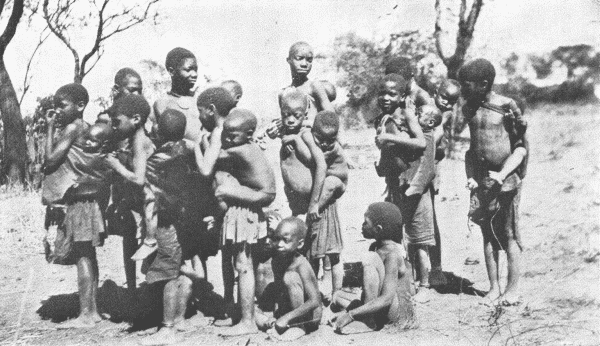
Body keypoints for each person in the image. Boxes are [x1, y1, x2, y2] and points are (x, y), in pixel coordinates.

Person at [195, 89, 276, 336]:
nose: (227, 139)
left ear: (248, 135)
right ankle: (252, 315)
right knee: (241, 263)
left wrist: (198, 145)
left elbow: (209, 165)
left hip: (247, 208)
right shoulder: (244, 145)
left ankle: (248, 322)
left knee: (243, 265)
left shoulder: (241, 149)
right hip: (244, 208)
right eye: (226, 135)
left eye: (232, 135)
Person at [458, 58, 527, 306]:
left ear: (484, 84)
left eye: (466, 85)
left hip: (505, 179)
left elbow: (520, 148)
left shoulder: (507, 107)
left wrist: (502, 174)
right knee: (487, 235)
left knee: (509, 234)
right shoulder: (469, 108)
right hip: (481, 181)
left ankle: (512, 290)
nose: (462, 90)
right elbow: (470, 150)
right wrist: (470, 177)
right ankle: (494, 288)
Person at [42, 83, 111, 328]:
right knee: (88, 255)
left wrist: (50, 128)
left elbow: (50, 161)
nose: (57, 111)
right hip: (90, 199)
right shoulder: (87, 129)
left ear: (80, 106)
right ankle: (93, 311)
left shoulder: (73, 128)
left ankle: (85, 314)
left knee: (82, 255)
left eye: (62, 105)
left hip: (79, 201)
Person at [138, 109, 201, 345]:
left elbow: (150, 194)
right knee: (180, 266)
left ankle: (168, 328)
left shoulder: (157, 159)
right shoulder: (191, 150)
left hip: (165, 221)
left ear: (160, 131)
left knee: (168, 273)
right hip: (188, 220)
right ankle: (181, 318)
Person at [290, 110, 348, 301]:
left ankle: (336, 292)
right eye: (320, 139)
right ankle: (313, 293)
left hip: (328, 197)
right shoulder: (307, 133)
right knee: (312, 250)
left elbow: (319, 166)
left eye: (330, 140)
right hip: (319, 198)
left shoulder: (334, 149)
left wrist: (314, 204)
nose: (324, 144)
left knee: (333, 253)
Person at [331, 202, 415, 334]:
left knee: (370, 258)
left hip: (397, 313)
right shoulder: (375, 247)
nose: (362, 226)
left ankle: (368, 320)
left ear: (378, 229)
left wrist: (351, 315)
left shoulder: (393, 254)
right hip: (382, 305)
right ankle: (365, 315)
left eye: (366, 223)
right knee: (337, 296)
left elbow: (387, 298)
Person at [104, 95, 156, 267]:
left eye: (117, 122)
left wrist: (116, 165)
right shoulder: (133, 140)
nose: (114, 127)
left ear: (135, 119)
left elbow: (139, 179)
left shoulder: (139, 142)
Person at [255, 217, 322, 341]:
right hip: (289, 313)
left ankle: (299, 327)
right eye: (277, 239)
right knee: (255, 315)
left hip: (310, 317)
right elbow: (279, 291)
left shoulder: (302, 265)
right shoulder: (276, 261)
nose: (279, 244)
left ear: (300, 244)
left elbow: (314, 301)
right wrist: (277, 315)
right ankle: (278, 325)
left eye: (285, 240)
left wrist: (286, 318)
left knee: (289, 277)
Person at [429, 79, 461, 286]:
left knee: (430, 218)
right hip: (422, 163)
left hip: (432, 166)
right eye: (444, 97)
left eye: (452, 101)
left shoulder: (445, 115)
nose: (447, 103)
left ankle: (436, 267)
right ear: (435, 93)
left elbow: (434, 139)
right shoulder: (427, 108)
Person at [150, 47, 202, 143]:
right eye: (188, 70)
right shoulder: (162, 103)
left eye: (195, 70)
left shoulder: (200, 100)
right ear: (171, 71)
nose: (194, 74)